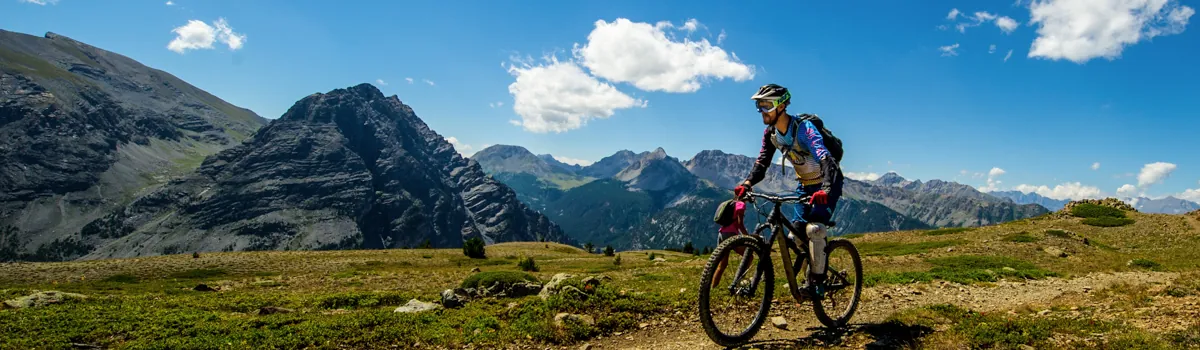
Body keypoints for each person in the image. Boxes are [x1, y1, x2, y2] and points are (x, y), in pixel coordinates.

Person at [735, 83, 844, 298]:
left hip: (827, 183)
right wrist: (747, 183)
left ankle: (818, 284)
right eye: (759, 106)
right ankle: (809, 271)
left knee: (815, 230)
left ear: (781, 106)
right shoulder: (772, 134)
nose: (761, 111)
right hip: (804, 184)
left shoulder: (804, 130)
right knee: (795, 235)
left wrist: (826, 188)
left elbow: (826, 158)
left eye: (766, 105)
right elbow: (762, 163)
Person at [710, 186, 753, 289]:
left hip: (721, 234)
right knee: (749, 257)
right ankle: (737, 282)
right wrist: (749, 238)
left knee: (723, 264)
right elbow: (740, 224)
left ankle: (713, 287)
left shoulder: (731, 203)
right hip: (731, 235)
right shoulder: (741, 205)